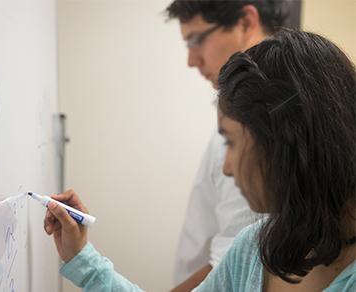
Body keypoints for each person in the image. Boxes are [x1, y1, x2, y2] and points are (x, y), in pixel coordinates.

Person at [43, 29, 356, 291]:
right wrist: (82, 256)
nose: (226, 168)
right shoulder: (256, 248)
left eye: (232, 144)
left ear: (286, 141)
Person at [164, 1, 291, 290]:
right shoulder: (243, 116)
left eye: (196, 40)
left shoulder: (259, 126)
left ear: (246, 23)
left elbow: (229, 266)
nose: (191, 60)